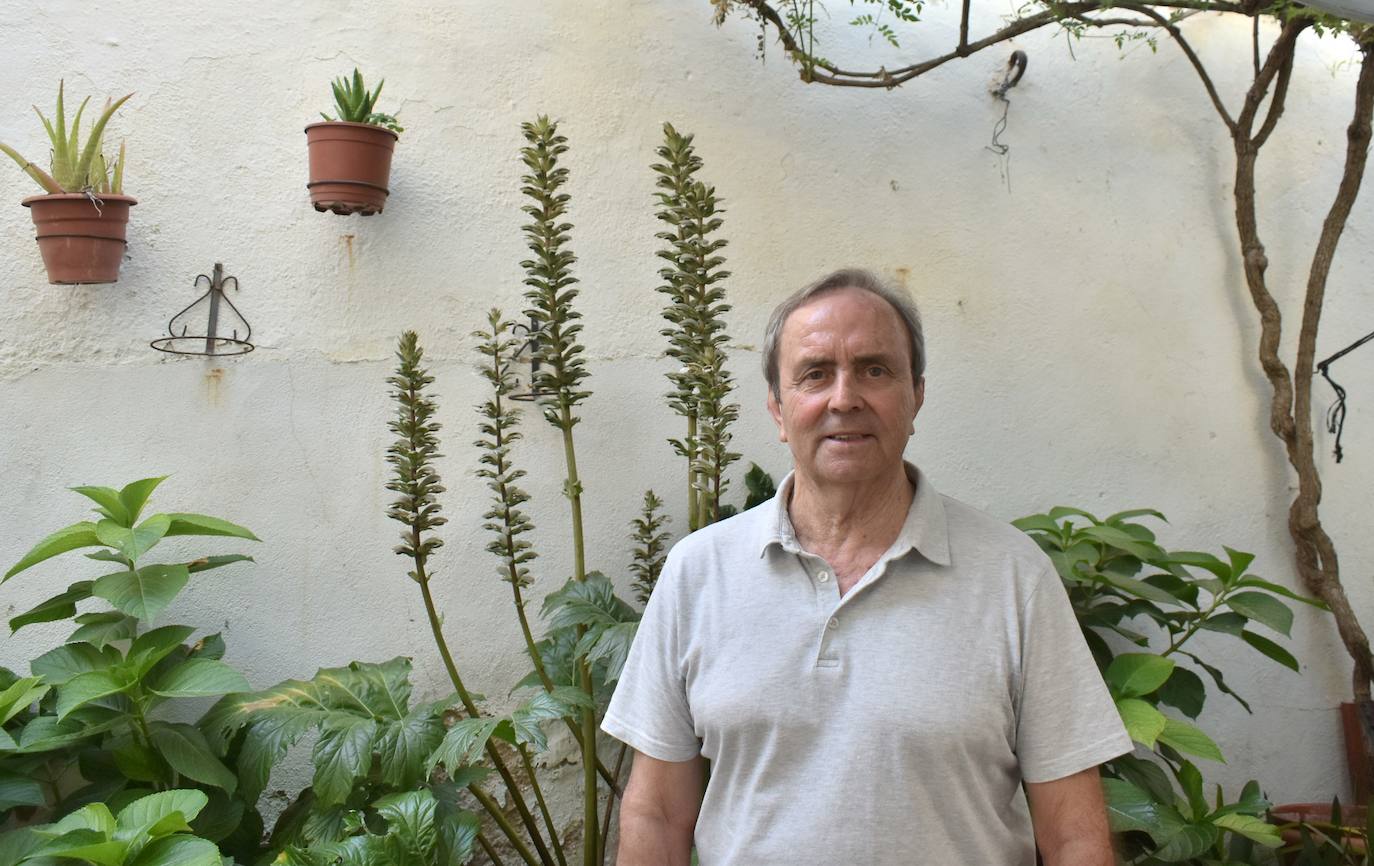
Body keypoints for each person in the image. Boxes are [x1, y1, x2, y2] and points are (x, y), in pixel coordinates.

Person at [602, 268, 1132, 866]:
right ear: (777, 409)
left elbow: (1073, 836)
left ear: (916, 397)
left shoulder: (1014, 578)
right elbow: (657, 815)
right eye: (815, 374)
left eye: (874, 370)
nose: (844, 398)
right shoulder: (698, 573)